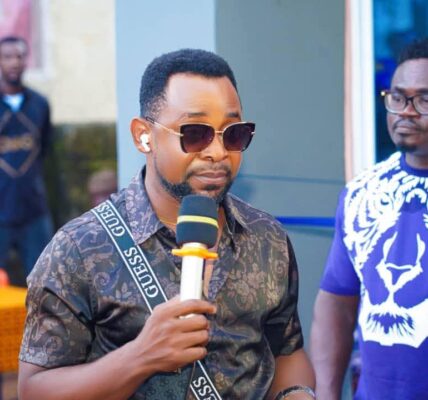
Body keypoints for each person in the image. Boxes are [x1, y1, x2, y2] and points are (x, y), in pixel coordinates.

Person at [18, 49, 315, 399]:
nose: (218, 152)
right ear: (143, 135)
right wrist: (141, 356)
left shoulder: (267, 237)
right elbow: (33, 390)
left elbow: (286, 350)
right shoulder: (79, 249)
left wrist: (297, 394)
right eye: (195, 133)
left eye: (233, 134)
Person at [310, 38, 428, 400]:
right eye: (398, 97)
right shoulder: (363, 192)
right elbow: (336, 306)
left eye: (424, 100)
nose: (406, 111)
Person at [0, 36, 53, 277]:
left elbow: (44, 149)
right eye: (7, 57)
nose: (14, 62)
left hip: (33, 211)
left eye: (19, 56)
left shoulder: (39, 104)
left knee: (43, 281)